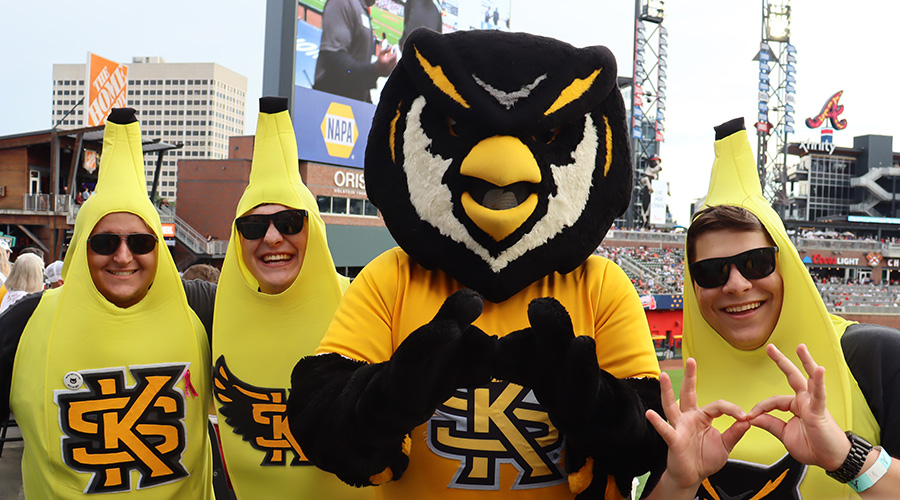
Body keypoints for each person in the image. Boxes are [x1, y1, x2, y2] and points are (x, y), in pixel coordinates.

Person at [289, 30, 665, 499]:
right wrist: (390, 396)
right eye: (456, 128)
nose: (502, 167)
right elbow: (319, 421)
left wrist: (592, 403)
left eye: (546, 136)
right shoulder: (392, 277)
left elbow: (652, 436)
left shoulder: (601, 285)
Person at [644, 118, 900, 499]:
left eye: (756, 262)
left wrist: (847, 458)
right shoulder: (675, 399)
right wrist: (678, 483)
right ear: (693, 286)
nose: (736, 285)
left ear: (786, 269)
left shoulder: (875, 357)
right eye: (711, 271)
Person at [0, 108, 216, 498]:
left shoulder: (198, 310)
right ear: (82, 248)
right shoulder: (27, 322)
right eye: (104, 242)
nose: (122, 256)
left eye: (140, 242)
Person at [211, 96, 363, 499]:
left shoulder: (366, 306)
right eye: (254, 226)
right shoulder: (209, 318)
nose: (273, 237)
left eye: (289, 221)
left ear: (313, 228)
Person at [313, 0, 398, 102]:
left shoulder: (361, 7)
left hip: (350, 104)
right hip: (331, 103)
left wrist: (367, 102)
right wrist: (374, 70)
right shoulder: (342, 2)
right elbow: (333, 59)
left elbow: (359, 63)